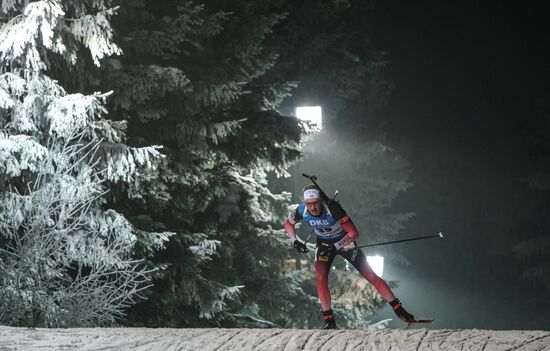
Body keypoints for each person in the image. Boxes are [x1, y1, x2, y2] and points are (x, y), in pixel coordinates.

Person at [284, 184, 416, 329]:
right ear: (305, 203)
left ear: (320, 200)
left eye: (315, 203)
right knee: (321, 277)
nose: (313, 207)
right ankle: (329, 321)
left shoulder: (332, 208)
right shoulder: (301, 210)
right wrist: (295, 241)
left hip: (345, 241)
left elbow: (354, 234)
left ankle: (399, 309)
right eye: (309, 204)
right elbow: (288, 224)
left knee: (371, 276)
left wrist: (335, 246)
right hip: (323, 244)